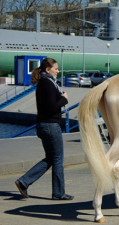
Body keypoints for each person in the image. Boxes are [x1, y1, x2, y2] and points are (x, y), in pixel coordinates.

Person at [15, 58, 74, 200]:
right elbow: (51, 106)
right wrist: (64, 98)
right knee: (58, 159)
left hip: (44, 125)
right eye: (56, 69)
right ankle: (59, 193)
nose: (58, 71)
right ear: (48, 70)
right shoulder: (47, 83)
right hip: (50, 126)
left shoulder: (45, 82)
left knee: (51, 158)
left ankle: (24, 182)